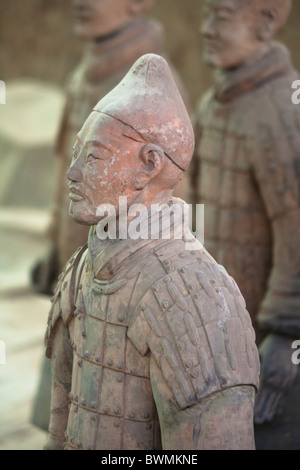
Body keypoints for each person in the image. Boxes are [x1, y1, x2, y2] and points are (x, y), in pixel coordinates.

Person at [44, 54, 259, 451]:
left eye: (92, 157)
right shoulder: (80, 271)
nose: (72, 172)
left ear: (149, 165)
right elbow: (60, 427)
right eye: (76, 153)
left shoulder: (196, 297)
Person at [191, 0, 300, 449]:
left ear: (266, 21)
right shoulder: (213, 101)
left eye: (221, 15)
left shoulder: (283, 110)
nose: (206, 28)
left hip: (267, 345)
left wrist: (287, 336)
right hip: (217, 333)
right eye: (205, 14)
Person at [31, 0, 188, 296]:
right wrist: (56, 240)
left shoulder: (156, 97)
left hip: (124, 279)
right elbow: (66, 159)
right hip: (79, 267)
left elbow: (174, 188)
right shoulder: (81, 76)